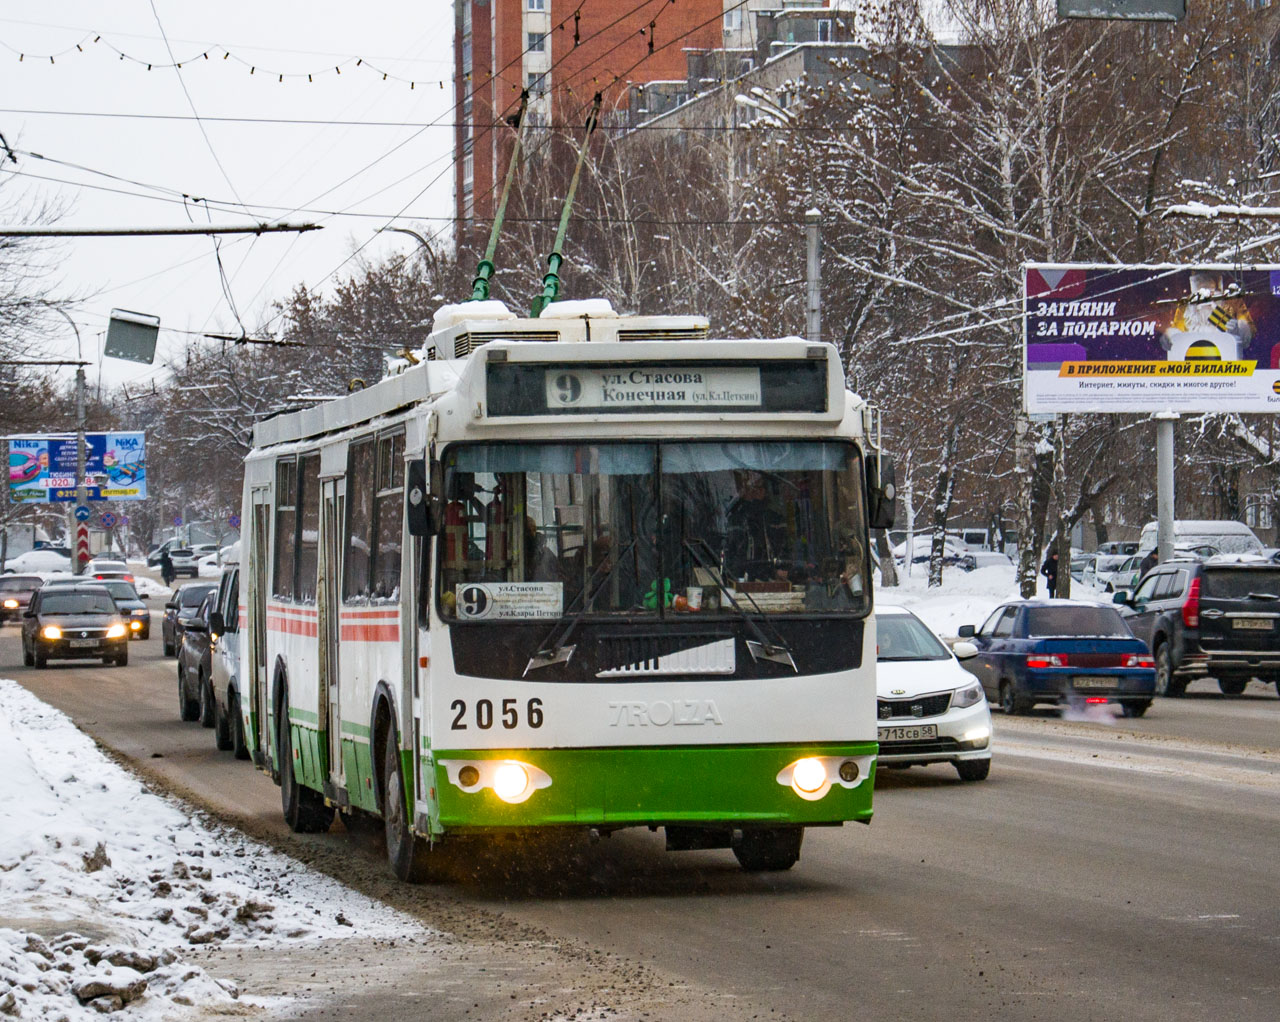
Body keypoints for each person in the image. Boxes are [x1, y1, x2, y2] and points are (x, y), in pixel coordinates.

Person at [523, 516, 561, 583]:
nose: (531, 533)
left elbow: (558, 573)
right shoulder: (521, 554)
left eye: (533, 529)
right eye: (528, 531)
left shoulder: (545, 552)